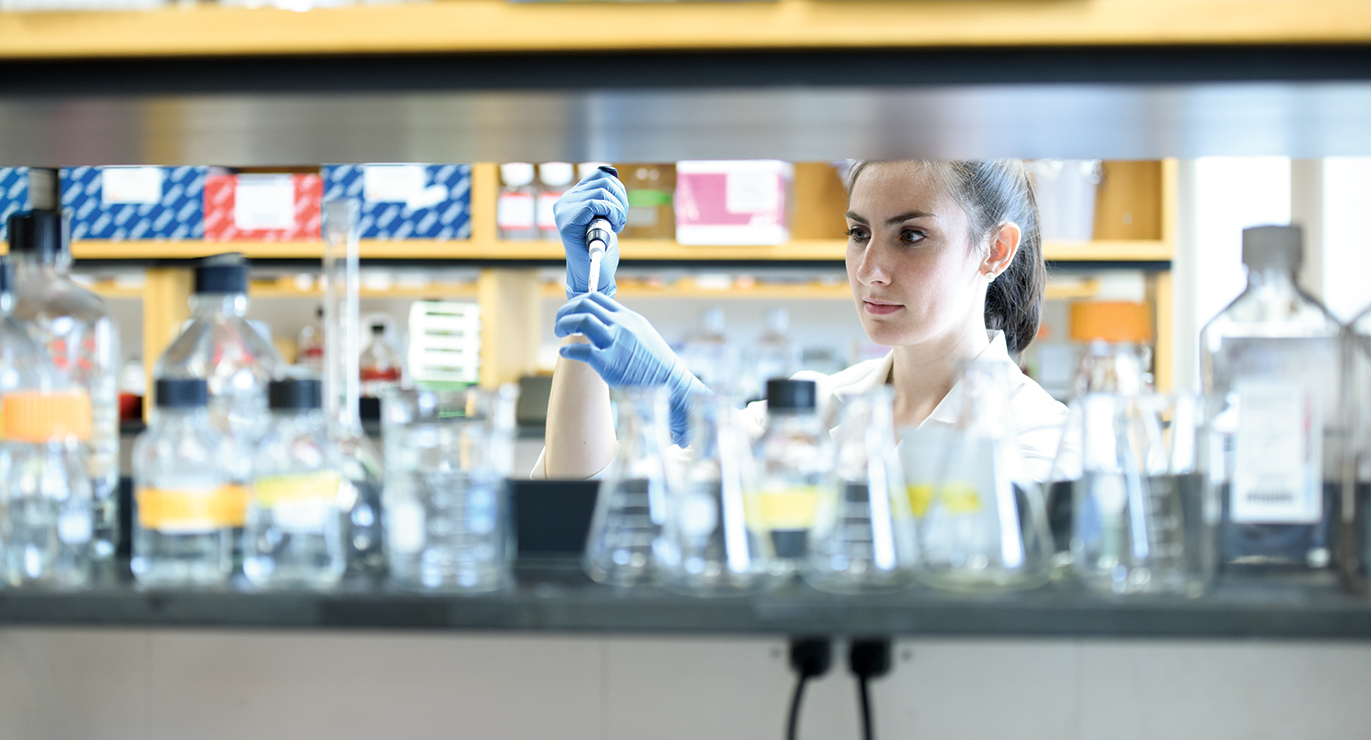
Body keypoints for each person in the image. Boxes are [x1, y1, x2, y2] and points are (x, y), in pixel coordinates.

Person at [534, 160, 1067, 481]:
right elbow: (582, 497)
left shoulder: (1041, 433)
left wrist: (694, 408)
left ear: (996, 250)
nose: (870, 270)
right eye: (859, 233)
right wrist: (590, 294)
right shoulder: (817, 404)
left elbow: (914, 552)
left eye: (910, 236)